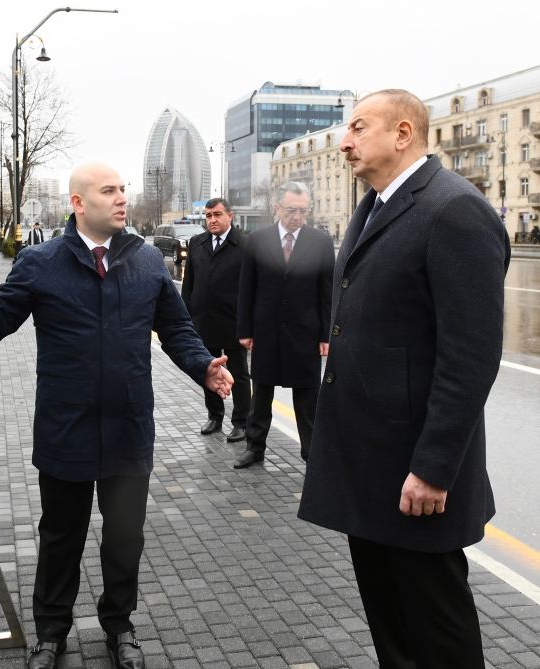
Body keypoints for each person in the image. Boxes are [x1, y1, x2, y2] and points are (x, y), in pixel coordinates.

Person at [0, 163, 233, 669]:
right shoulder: (40, 262)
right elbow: (0, 318)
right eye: (108, 191)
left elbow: (177, 330)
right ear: (77, 203)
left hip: (128, 430)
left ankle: (119, 626)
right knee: (60, 536)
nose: (120, 199)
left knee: (125, 537)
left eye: (122, 190)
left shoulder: (147, 262)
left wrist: (203, 367)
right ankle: (51, 633)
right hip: (65, 427)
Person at [298, 90, 510, 668]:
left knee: (436, 629)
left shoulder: (453, 209)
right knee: (391, 624)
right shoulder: (373, 206)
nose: (345, 141)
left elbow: (470, 358)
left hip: (417, 473)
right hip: (370, 465)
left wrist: (434, 467)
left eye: (358, 127)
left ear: (403, 133)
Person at [234, 182, 334, 467]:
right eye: (291, 210)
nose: (297, 217)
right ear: (277, 208)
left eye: (303, 211)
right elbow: (246, 289)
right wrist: (244, 330)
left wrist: (326, 334)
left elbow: (327, 292)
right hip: (266, 332)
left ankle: (311, 455)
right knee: (262, 394)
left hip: (306, 333)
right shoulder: (257, 241)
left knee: (307, 400)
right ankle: (255, 448)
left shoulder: (321, 242)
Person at [181, 197, 251, 442]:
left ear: (229, 215)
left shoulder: (244, 244)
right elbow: (188, 284)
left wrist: (250, 324)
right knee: (208, 369)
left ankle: (241, 422)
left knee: (239, 373)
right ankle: (214, 416)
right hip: (203, 321)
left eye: (217, 214)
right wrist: (185, 318)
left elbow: (254, 287)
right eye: (209, 215)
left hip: (234, 321)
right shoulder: (197, 243)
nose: (212, 220)